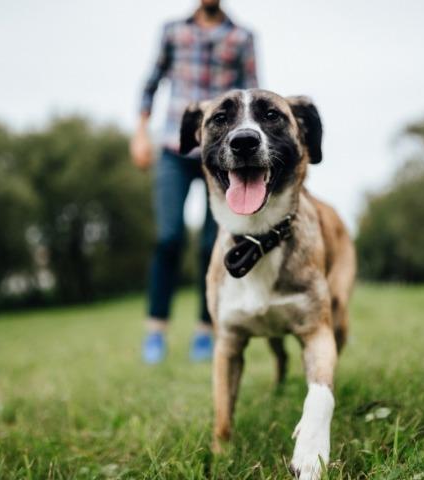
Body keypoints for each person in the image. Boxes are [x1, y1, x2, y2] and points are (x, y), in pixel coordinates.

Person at [131, 0, 258, 364]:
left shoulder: (242, 37)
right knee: (167, 238)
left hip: (221, 154)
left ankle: (205, 331)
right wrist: (141, 133)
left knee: (211, 244)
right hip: (174, 146)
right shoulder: (173, 31)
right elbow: (151, 84)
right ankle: (156, 331)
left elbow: (252, 92)